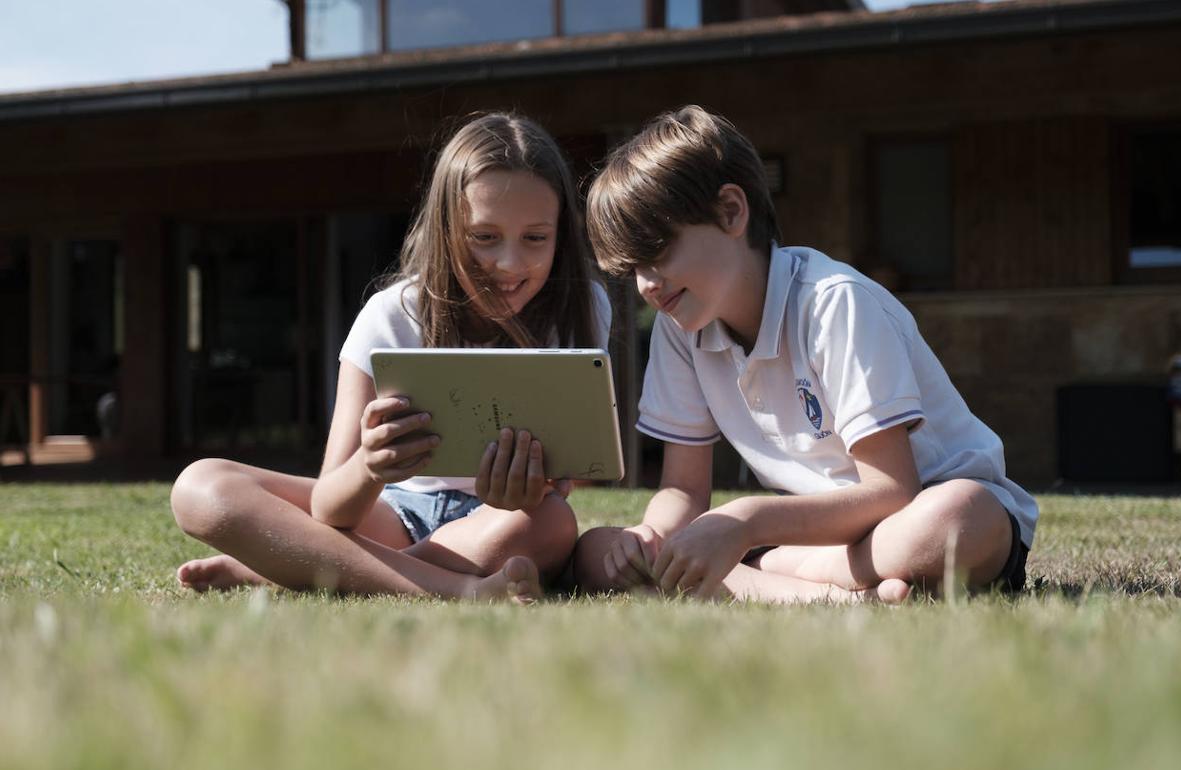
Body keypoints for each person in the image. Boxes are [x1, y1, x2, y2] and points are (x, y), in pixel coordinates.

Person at [574, 105, 1037, 604]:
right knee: (595, 551)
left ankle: (771, 574)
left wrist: (747, 524)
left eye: (658, 251)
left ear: (731, 211)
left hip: (918, 513)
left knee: (958, 516)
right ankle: (841, 594)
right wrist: (652, 536)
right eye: (634, 267)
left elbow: (893, 491)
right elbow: (683, 491)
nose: (646, 283)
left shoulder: (833, 301)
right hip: (819, 530)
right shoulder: (679, 327)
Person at [172, 112, 610, 604]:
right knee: (200, 486)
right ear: (446, 229)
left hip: (497, 525)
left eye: (535, 238)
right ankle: (457, 589)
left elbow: (577, 470)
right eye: (484, 237)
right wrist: (371, 467)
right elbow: (329, 505)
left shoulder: (582, 305)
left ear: (561, 236)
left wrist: (536, 484)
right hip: (389, 515)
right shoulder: (390, 316)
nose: (509, 264)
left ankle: (296, 568)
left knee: (551, 522)